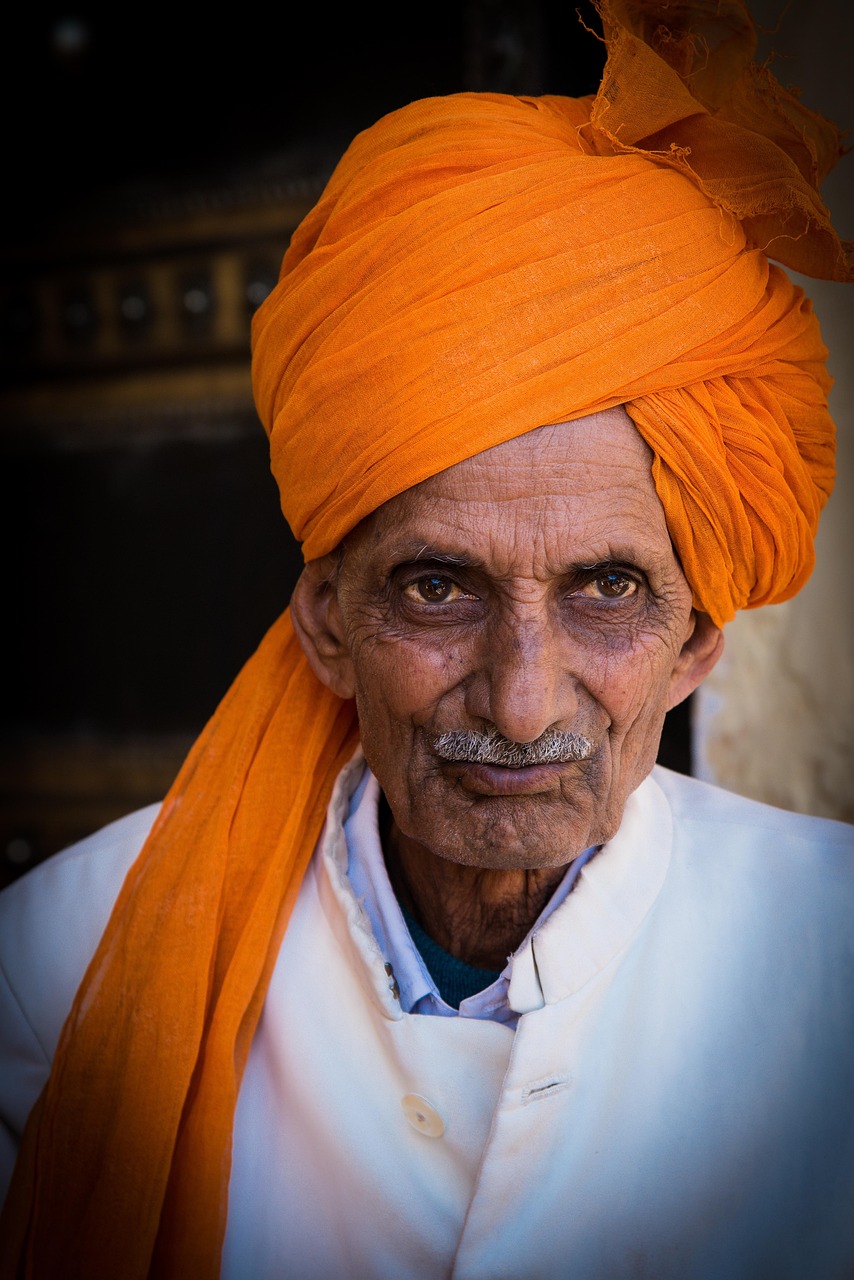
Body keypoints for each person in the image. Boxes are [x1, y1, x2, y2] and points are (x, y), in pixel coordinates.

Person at [1, 1, 853, 1276]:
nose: (518, 704)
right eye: (438, 588)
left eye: (607, 590)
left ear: (696, 645)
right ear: (326, 626)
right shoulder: (59, 963)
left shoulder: (832, 958)